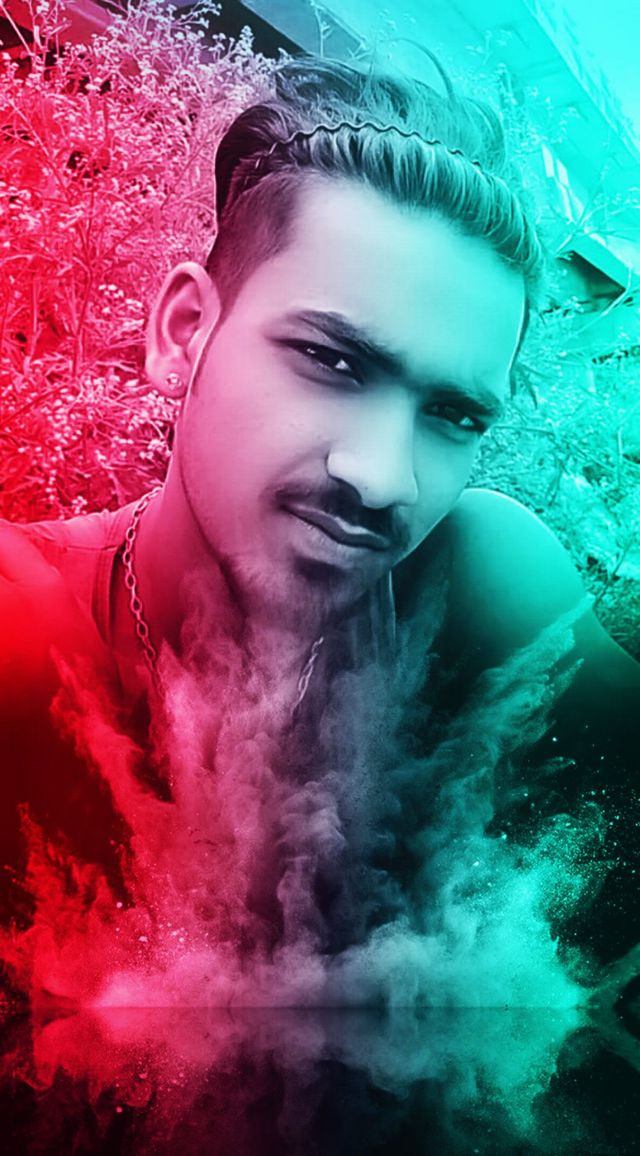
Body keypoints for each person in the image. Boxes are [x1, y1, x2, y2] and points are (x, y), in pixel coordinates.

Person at [1, 55, 639, 1001]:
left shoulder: (469, 593)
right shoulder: (27, 633)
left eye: (452, 415)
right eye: (331, 361)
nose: (383, 477)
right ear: (183, 333)